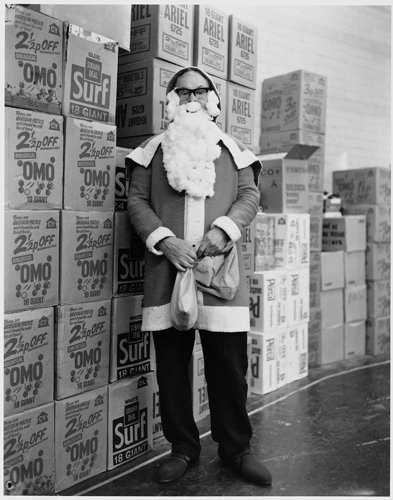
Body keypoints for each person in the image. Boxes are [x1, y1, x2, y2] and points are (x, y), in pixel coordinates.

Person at [126, 66, 272, 487]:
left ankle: (235, 450)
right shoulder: (151, 151)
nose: (192, 97)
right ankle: (183, 448)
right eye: (182, 90)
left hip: (220, 274)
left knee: (229, 368)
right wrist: (165, 239)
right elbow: (136, 201)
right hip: (165, 272)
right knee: (172, 367)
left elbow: (249, 196)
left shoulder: (234, 150)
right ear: (170, 99)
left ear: (213, 98)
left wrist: (221, 230)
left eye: (200, 90)